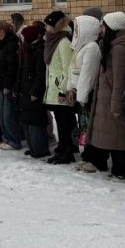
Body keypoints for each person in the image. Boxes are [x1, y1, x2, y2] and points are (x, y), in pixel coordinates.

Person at [93, 11, 125, 180]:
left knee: (121, 137)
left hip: (116, 100)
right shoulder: (114, 46)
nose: (102, 30)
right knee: (114, 137)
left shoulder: (119, 49)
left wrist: (116, 104)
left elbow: (119, 80)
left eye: (104, 26)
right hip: (110, 99)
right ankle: (118, 169)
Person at [69, 14, 101, 172]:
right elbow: (72, 69)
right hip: (80, 94)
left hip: (88, 95)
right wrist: (70, 88)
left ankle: (95, 158)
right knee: (84, 128)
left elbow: (87, 74)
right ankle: (87, 155)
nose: (75, 32)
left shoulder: (92, 48)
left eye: (77, 29)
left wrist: (82, 96)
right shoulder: (80, 46)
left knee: (91, 128)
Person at [43, 10, 76, 164]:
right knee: (60, 122)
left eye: (48, 25)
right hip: (54, 89)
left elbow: (67, 68)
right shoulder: (53, 40)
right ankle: (61, 149)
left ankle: (67, 152)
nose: (46, 28)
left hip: (61, 90)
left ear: (55, 25)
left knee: (64, 123)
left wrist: (63, 90)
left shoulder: (63, 41)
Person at [18, 23, 49, 157]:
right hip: (27, 89)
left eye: (23, 37)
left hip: (34, 91)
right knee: (28, 120)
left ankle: (40, 149)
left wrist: (35, 91)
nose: (21, 39)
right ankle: (33, 147)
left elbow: (40, 74)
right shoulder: (30, 49)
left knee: (35, 120)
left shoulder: (38, 50)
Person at [0, 20, 22, 149]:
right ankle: (6, 138)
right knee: (1, 114)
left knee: (8, 114)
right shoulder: (1, 43)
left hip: (8, 85)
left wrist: (7, 85)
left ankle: (14, 140)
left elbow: (12, 67)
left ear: (2, 31)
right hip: (1, 84)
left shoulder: (11, 44)